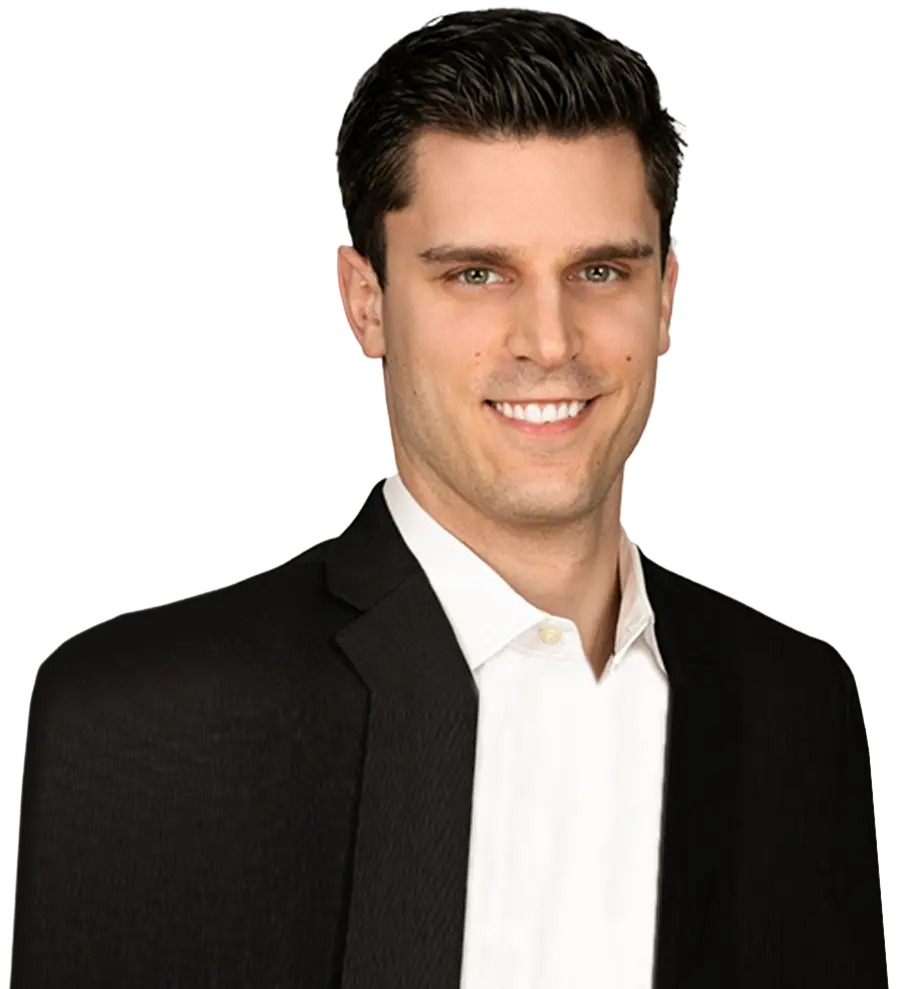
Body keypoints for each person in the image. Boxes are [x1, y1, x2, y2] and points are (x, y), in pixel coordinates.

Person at [12, 10, 889, 988]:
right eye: (478, 273)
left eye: (600, 270)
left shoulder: (793, 704)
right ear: (367, 304)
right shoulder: (147, 723)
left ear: (666, 298)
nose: (549, 341)